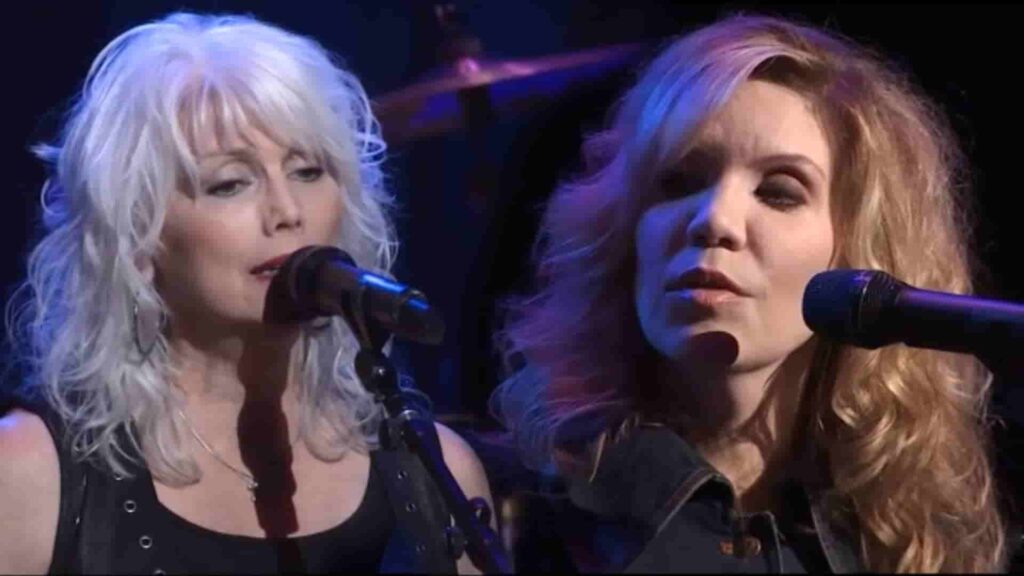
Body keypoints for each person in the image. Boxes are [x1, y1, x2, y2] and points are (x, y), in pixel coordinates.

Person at [490, 14, 1007, 573]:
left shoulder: (903, 536)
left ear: (860, 254)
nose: (715, 220)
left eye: (779, 192)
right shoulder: (507, 509)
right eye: (680, 182)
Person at [0, 12, 493, 574]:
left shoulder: (440, 475)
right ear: (137, 236)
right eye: (230, 183)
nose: (287, 211)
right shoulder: (27, 476)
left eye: (308, 171)